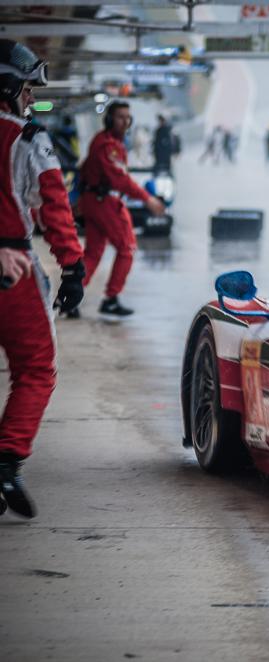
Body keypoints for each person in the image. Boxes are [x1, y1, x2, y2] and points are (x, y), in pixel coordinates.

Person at [0, 39, 86, 518]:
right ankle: (6, 463)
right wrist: (72, 266)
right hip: (11, 269)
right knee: (35, 368)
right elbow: (54, 205)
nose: (31, 98)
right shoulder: (29, 139)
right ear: (7, 88)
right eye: (27, 89)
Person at [76, 100, 165, 317]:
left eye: (128, 117)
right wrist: (148, 199)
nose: (125, 122)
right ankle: (111, 299)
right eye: (120, 117)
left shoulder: (105, 141)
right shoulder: (108, 146)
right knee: (127, 248)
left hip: (94, 201)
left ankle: (71, 298)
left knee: (93, 253)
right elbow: (120, 180)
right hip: (105, 202)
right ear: (109, 119)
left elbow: (86, 170)